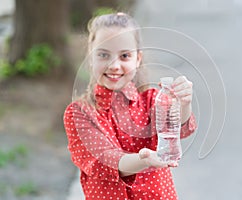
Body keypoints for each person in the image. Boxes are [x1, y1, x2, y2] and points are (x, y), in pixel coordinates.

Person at [64, 12, 197, 200]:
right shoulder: (79, 114)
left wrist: (184, 104)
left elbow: (180, 130)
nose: (114, 65)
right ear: (91, 57)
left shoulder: (152, 100)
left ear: (138, 59)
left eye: (124, 56)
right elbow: (104, 160)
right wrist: (143, 160)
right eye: (103, 54)